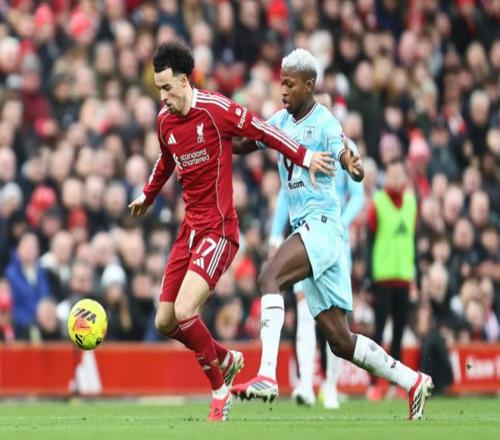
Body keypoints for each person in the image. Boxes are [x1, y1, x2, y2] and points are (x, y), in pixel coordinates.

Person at [128, 41, 334, 422]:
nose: (163, 96)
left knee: (186, 311)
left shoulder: (216, 110)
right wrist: (147, 195)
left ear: (185, 81)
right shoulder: (164, 121)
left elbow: (264, 131)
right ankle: (225, 358)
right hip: (189, 230)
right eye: (158, 89)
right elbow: (165, 160)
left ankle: (220, 392)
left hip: (219, 230)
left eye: (167, 87)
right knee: (165, 321)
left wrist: (305, 157)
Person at [230, 49, 433, 420]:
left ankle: (266, 376)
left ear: (309, 85)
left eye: (290, 84)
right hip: (310, 232)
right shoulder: (279, 121)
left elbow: (343, 154)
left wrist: (350, 165)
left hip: (321, 226)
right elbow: (244, 145)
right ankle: (413, 380)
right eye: (281, 83)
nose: (283, 90)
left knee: (269, 277)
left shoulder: (325, 122)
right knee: (340, 341)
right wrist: (218, 132)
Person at [268, 136, 364, 409]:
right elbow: (286, 192)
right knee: (304, 313)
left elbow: (358, 195)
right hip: (306, 238)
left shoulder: (344, 143)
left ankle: (331, 386)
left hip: (334, 241)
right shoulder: (298, 142)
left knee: (336, 317)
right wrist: (274, 234)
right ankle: (306, 384)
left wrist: (339, 223)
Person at [365, 159, 419, 401]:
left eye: (400, 175)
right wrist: (368, 276)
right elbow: (369, 241)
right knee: (378, 333)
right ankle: (374, 384)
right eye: (392, 175)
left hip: (404, 277)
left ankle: (396, 384)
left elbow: (412, 241)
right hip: (383, 277)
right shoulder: (378, 203)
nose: (396, 179)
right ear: (386, 177)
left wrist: (415, 276)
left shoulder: (411, 203)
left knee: (398, 333)